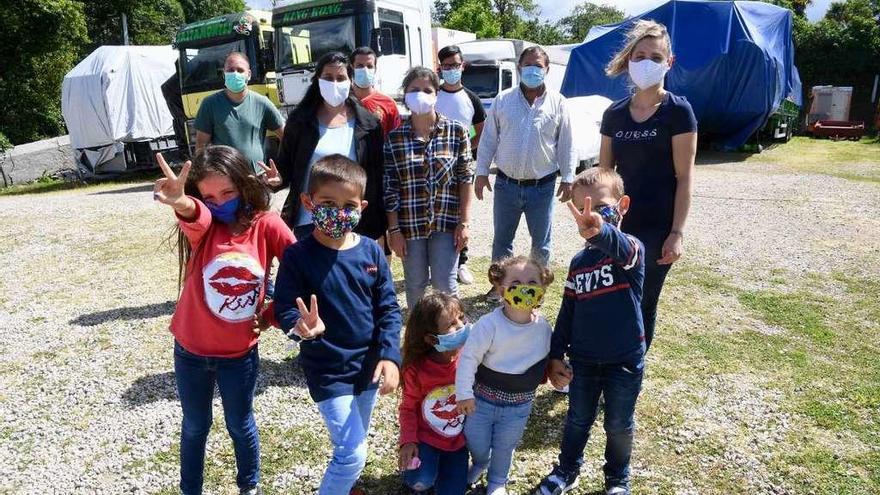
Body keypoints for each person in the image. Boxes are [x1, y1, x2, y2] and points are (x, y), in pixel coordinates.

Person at [152, 146, 295, 495]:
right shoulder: (204, 226)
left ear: (244, 184)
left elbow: (299, 272)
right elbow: (194, 213)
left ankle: (249, 486)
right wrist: (180, 201)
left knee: (239, 423)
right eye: (209, 195)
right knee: (195, 426)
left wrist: (274, 313)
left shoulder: (267, 224)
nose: (219, 202)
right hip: (190, 351)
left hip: (239, 354)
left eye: (228, 192)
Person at [273, 154, 401, 495]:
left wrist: (390, 355)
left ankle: (349, 487)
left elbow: (389, 308)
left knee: (355, 435)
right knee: (352, 454)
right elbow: (284, 305)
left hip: (370, 367)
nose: (339, 212)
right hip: (328, 369)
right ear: (307, 202)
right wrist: (300, 325)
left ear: (362, 206)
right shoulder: (297, 256)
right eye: (328, 203)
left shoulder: (373, 252)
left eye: (348, 205)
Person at [536, 168, 645, 495]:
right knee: (577, 420)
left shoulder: (631, 251)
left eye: (600, 206)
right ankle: (567, 470)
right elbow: (568, 310)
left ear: (622, 205)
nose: (591, 215)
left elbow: (621, 247)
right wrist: (555, 355)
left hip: (624, 361)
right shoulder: (578, 263)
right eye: (582, 208)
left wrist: (599, 232)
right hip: (583, 360)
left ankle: (617, 478)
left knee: (618, 425)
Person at [598, 20, 697, 351]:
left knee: (643, 303)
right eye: (640, 55)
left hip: (657, 230)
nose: (647, 63)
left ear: (669, 62)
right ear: (629, 60)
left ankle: (630, 370)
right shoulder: (614, 114)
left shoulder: (678, 112)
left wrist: (676, 233)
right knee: (606, 296)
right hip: (617, 226)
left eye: (655, 57)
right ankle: (600, 363)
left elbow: (684, 178)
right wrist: (598, 224)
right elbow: (604, 175)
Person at [474, 45, 576, 299]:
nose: (532, 70)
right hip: (506, 185)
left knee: (541, 243)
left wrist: (568, 178)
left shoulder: (558, 102)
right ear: (519, 68)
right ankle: (500, 287)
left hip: (542, 187)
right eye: (528, 65)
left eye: (538, 66)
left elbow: (566, 143)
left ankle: (536, 288)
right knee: (502, 241)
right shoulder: (503, 99)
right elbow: (488, 139)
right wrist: (481, 172)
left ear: (547, 69)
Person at [455, 256, 555, 495]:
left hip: (518, 406)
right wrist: (464, 394)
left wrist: (558, 371)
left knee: (505, 446)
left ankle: (498, 481)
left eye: (532, 281)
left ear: (541, 290)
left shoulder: (544, 328)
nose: (525, 287)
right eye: (517, 281)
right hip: (481, 402)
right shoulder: (488, 325)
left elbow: (549, 360)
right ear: (501, 289)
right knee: (475, 441)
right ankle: (480, 463)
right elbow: (468, 359)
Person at [384, 67, 474, 309]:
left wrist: (464, 223)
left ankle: (451, 339)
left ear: (436, 94)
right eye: (414, 90)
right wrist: (394, 230)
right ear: (405, 95)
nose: (420, 94)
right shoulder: (395, 138)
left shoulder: (456, 132)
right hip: (409, 226)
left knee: (446, 285)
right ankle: (418, 341)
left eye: (427, 89)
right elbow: (390, 187)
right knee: (415, 285)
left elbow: (465, 178)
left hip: (446, 224)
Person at [276, 52, 386, 241]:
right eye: (328, 78)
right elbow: (285, 169)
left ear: (350, 81)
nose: (334, 83)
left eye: (340, 78)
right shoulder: (300, 122)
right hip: (309, 221)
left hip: (353, 222)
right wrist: (276, 179)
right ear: (317, 80)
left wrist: (382, 224)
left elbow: (377, 176)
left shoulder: (369, 124)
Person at [398, 293, 469, 495]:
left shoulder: (471, 357)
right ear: (431, 339)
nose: (461, 326)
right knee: (420, 482)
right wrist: (408, 441)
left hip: (458, 441)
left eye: (461, 318)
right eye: (451, 325)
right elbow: (408, 408)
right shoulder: (416, 370)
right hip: (426, 439)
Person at [435, 44, 487, 286]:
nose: (451, 69)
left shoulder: (471, 99)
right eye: (447, 66)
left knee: (462, 214)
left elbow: (481, 131)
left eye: (455, 65)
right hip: (433, 167)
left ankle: (461, 262)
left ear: (462, 66)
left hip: (461, 168)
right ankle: (433, 263)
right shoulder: (432, 95)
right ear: (440, 68)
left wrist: (464, 150)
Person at [194, 52, 284, 170]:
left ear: (249, 74)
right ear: (224, 74)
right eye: (230, 70)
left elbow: (286, 136)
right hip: (225, 180)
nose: (235, 74)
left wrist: (283, 168)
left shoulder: (262, 103)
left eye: (240, 70)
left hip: (257, 179)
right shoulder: (209, 104)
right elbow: (201, 147)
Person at [350, 46, 401, 136]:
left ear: (375, 69)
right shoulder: (344, 100)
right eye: (360, 66)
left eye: (369, 66)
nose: (365, 70)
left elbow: (395, 137)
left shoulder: (388, 104)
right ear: (352, 68)